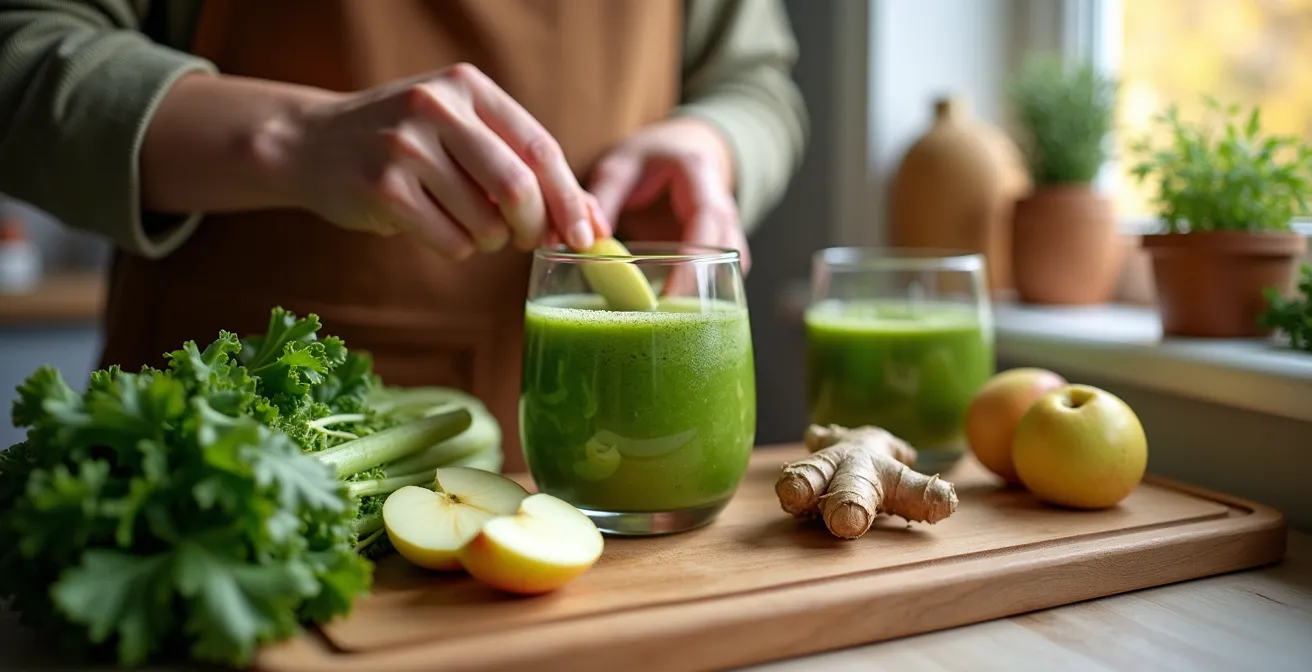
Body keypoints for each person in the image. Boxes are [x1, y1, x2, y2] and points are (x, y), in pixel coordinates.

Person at [0, 0, 808, 469]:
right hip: (237, 450)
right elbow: (20, 41)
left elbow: (755, 79)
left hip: (601, 468)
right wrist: (291, 137)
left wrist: (715, 144)